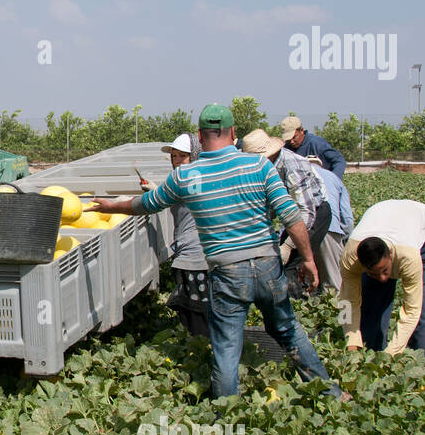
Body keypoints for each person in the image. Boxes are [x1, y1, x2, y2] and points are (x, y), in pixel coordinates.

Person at [93, 104, 343, 400]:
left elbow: (145, 204)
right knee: (287, 329)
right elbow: (292, 217)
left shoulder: (186, 176)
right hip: (267, 265)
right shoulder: (259, 166)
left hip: (227, 272)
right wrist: (309, 260)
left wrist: (111, 206)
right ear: (233, 133)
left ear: (200, 136)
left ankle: (228, 413)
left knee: (226, 347)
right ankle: (330, 394)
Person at [339, 200, 425, 358]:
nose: (383, 278)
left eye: (385, 270)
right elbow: (346, 302)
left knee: (423, 303)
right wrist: (351, 341)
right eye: (373, 273)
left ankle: (421, 359)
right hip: (386, 220)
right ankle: (371, 355)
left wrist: (392, 353)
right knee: (371, 303)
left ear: (391, 255)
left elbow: (412, 310)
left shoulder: (408, 257)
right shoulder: (350, 259)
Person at [242, 128, 330, 296]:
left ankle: (297, 309)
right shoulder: (262, 168)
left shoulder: (293, 165)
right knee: (280, 264)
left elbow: (306, 211)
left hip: (315, 214)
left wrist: (288, 246)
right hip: (292, 217)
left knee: (292, 265)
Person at [144, 133, 209, 337]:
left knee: (198, 310)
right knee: (195, 308)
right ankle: (202, 347)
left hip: (196, 258)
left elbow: (163, 199)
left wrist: (113, 206)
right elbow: (172, 197)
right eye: (174, 156)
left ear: (195, 156)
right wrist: (155, 189)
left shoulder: (191, 180)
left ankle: (203, 350)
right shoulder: (186, 179)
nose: (178, 161)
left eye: (183, 156)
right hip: (189, 256)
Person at [312, 161, 354, 292]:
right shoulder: (333, 178)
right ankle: (338, 312)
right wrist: (345, 239)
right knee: (333, 285)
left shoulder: (296, 173)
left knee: (308, 284)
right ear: (321, 165)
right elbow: (347, 217)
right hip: (329, 229)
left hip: (300, 231)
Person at [279, 116, 346, 178]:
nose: (291, 142)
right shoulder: (286, 149)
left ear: (301, 131)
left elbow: (339, 161)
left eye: (294, 137)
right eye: (288, 139)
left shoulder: (317, 144)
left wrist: (333, 180)